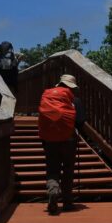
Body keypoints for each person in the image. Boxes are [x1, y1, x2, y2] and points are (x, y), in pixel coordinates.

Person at [37, 74, 84, 215]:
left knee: (52, 169)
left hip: (50, 140)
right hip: (69, 140)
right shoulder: (75, 100)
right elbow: (81, 121)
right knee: (68, 170)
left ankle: (53, 191)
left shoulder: (48, 98)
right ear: (72, 87)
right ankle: (68, 203)